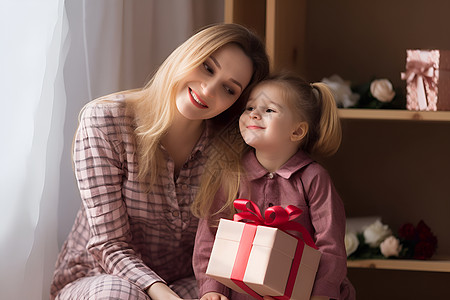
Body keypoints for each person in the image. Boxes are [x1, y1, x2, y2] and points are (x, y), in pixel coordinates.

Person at [50, 23, 269, 300]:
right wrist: (163, 295)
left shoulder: (229, 147)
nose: (209, 89)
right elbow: (110, 244)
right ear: (185, 55)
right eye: (207, 67)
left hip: (185, 280)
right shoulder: (105, 122)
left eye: (229, 89)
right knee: (119, 295)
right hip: (102, 276)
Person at [193, 73, 356, 300]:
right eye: (249, 108)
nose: (254, 114)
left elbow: (330, 245)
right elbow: (209, 236)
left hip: (302, 292)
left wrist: (321, 293)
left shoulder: (314, 178)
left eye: (269, 110)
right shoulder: (231, 176)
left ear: (297, 131)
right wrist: (211, 288)